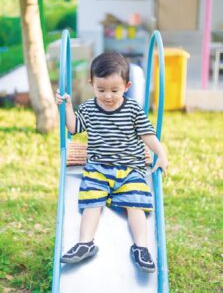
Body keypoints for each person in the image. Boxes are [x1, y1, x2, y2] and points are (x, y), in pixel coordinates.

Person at [56, 52, 168, 273]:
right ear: (92, 84)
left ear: (126, 86)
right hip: (98, 168)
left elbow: (147, 135)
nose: (108, 96)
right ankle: (85, 243)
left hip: (129, 168)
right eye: (101, 90)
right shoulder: (88, 108)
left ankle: (141, 248)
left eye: (115, 90)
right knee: (92, 201)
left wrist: (161, 154)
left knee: (135, 204)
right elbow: (73, 128)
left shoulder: (133, 109)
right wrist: (67, 106)